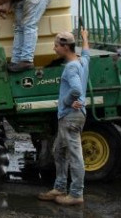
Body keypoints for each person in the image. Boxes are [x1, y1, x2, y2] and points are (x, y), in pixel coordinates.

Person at [38, 29, 90, 206]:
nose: (54, 49)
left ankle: (76, 194)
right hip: (71, 116)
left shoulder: (70, 68)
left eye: (57, 46)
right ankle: (60, 187)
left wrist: (68, 102)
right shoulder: (82, 61)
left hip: (71, 117)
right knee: (59, 151)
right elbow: (87, 54)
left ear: (66, 47)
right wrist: (85, 39)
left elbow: (76, 89)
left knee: (74, 155)